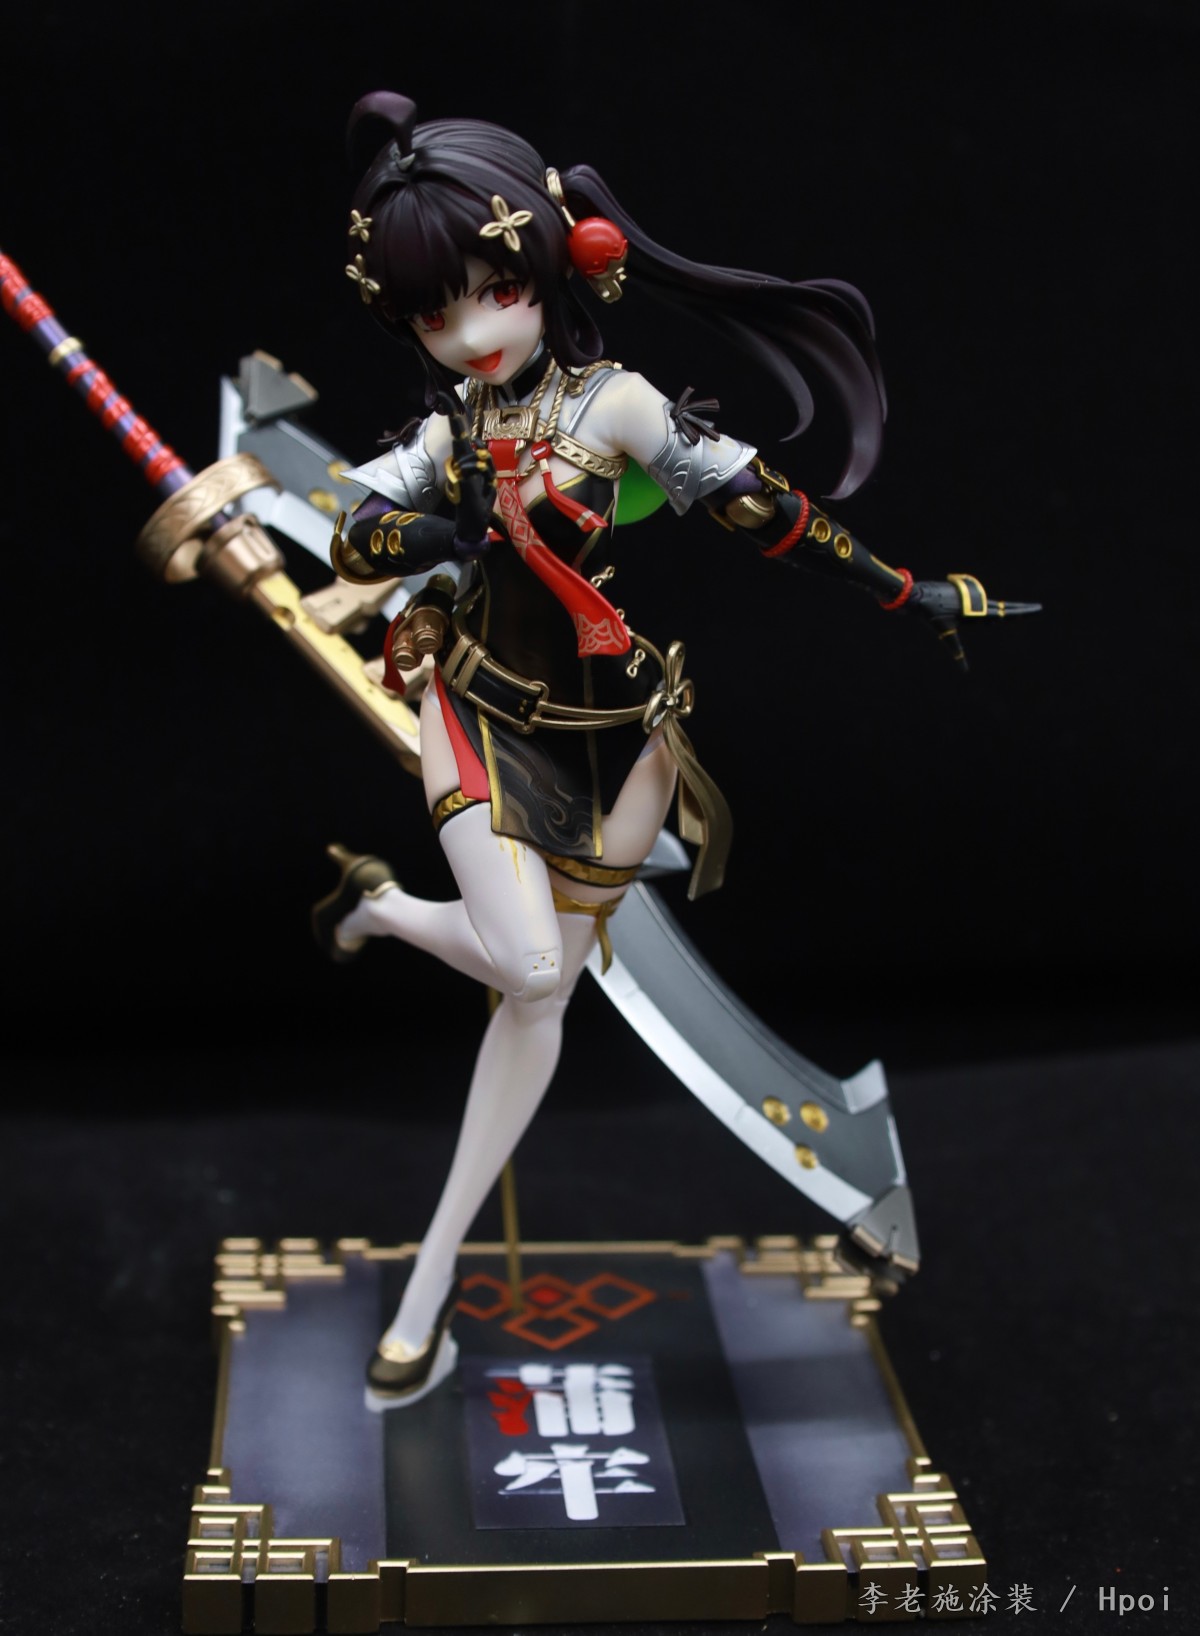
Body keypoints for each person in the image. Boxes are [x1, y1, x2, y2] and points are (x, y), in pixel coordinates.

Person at [312, 91, 1034, 1408]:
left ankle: (425, 1266)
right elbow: (351, 532)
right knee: (534, 966)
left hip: (620, 739)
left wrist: (908, 590)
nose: (471, 334)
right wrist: (426, 533)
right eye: (434, 315)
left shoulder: (620, 407)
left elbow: (766, 511)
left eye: (494, 293)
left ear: (549, 264)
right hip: (481, 717)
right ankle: (405, 943)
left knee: (540, 1002)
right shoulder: (449, 431)